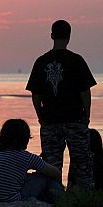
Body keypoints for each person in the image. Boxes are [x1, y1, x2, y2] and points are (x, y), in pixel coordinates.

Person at [26, 20, 97, 189]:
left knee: (51, 166)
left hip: (50, 121)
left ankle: (54, 198)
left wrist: (40, 117)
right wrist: (86, 115)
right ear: (69, 37)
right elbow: (85, 92)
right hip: (75, 120)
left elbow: (35, 95)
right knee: (82, 165)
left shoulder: (41, 62)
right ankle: (85, 197)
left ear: (52, 36)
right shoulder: (77, 60)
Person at [0, 119, 63, 206]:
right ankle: (63, 201)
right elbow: (57, 173)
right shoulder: (27, 157)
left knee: (28, 176)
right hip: (9, 201)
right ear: (25, 138)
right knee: (45, 177)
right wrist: (43, 163)